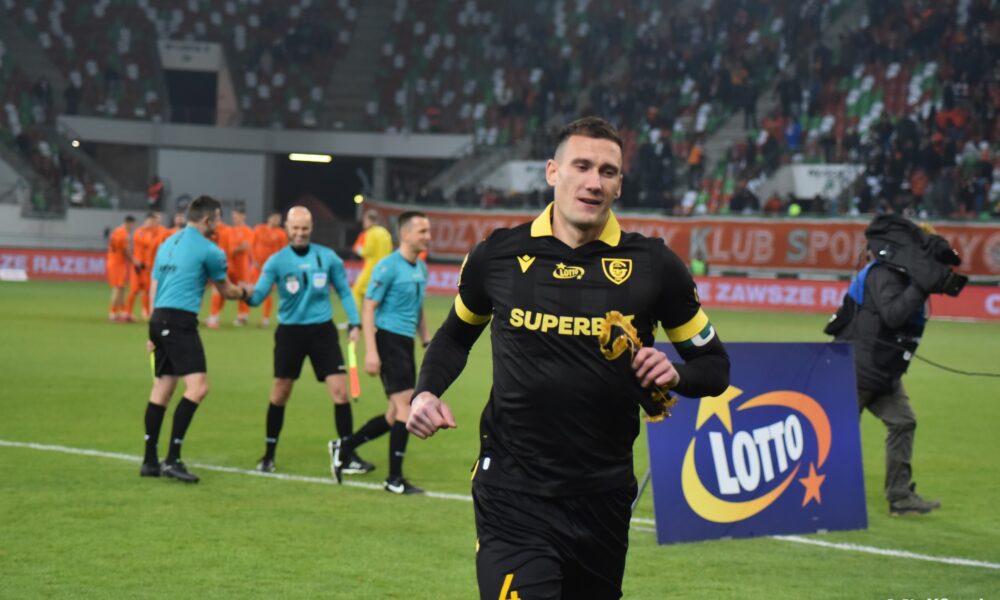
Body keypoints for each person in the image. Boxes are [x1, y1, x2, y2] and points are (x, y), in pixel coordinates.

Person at [407, 117, 731, 599]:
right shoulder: (498, 256)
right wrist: (426, 392)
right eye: (582, 166)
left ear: (619, 185)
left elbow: (715, 367)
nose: (593, 182)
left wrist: (677, 374)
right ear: (552, 172)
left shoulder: (655, 266)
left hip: (603, 496)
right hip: (512, 491)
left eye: (607, 171)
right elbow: (455, 336)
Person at [244, 206, 371, 474]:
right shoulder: (276, 262)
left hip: (322, 331)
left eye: (304, 228)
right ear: (287, 229)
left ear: (311, 228)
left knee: (340, 391)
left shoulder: (327, 257)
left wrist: (354, 322)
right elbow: (257, 298)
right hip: (290, 333)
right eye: (295, 228)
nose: (300, 233)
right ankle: (268, 455)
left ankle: (347, 454)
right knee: (280, 393)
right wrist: (241, 293)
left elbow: (344, 292)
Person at [829, 225, 941, 516]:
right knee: (835, 431)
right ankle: (812, 494)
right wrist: (921, 287)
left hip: (882, 370)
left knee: (903, 422)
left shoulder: (902, 275)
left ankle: (900, 497)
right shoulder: (883, 274)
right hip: (856, 369)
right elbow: (893, 315)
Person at [142, 195, 247, 483]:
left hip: (159, 318)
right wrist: (246, 293)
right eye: (218, 219)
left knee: (162, 389)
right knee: (198, 388)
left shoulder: (167, 244)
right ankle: (172, 459)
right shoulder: (210, 250)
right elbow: (226, 291)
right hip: (180, 321)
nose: (220, 224)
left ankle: (149, 460)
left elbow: (154, 286)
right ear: (207, 220)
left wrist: (152, 329)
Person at [330, 211, 432, 495]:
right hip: (388, 340)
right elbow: (368, 307)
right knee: (406, 407)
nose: (428, 236)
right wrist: (371, 352)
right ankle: (394, 479)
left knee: (393, 414)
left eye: (428, 231)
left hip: (405, 343)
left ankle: (345, 447)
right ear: (405, 234)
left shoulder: (421, 269)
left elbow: (418, 307)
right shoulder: (387, 267)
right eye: (423, 231)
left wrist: (426, 339)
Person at [251, 211, 289, 327]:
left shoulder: (281, 234)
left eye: (278, 219)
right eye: (275, 218)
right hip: (257, 267)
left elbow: (283, 251)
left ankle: (265, 318)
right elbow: (252, 245)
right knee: (251, 289)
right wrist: (254, 260)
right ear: (269, 218)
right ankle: (242, 315)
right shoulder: (259, 229)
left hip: (271, 269)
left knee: (267, 292)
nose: (276, 221)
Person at [351, 209, 393, 312]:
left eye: (365, 221)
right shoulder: (386, 233)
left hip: (371, 269)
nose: (364, 223)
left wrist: (358, 249)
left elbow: (367, 251)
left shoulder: (371, 233)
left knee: (356, 291)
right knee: (377, 295)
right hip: (385, 270)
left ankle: (355, 319)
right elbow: (390, 251)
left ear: (370, 221)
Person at [125, 212, 163, 321]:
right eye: (153, 221)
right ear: (148, 220)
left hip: (148, 266)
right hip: (137, 266)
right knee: (134, 290)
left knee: (147, 290)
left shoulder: (156, 232)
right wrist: (135, 260)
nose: (154, 223)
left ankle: (146, 312)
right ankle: (128, 312)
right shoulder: (139, 232)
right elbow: (132, 247)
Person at [205, 211, 235, 329]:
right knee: (220, 291)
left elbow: (224, 250)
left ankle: (213, 317)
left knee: (218, 291)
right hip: (211, 263)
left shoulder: (224, 230)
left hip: (218, 264)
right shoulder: (210, 230)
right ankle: (213, 316)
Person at [106, 215, 136, 321]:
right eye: (132, 225)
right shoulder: (123, 234)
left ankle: (123, 312)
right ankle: (113, 312)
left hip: (115, 261)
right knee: (118, 288)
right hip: (117, 263)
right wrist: (134, 261)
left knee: (121, 287)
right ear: (130, 223)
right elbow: (126, 250)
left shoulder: (116, 231)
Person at [228, 208, 254, 326]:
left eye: (237, 216)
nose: (234, 218)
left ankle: (243, 316)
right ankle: (214, 315)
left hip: (243, 266)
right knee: (221, 289)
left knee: (242, 290)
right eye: (234, 216)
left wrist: (234, 250)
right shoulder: (231, 230)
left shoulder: (247, 231)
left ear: (243, 217)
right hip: (231, 265)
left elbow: (246, 246)